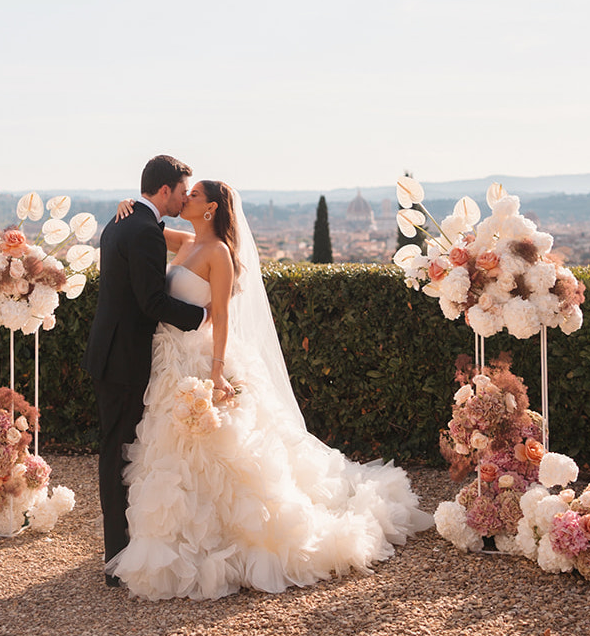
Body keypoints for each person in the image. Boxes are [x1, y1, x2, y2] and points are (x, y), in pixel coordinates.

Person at [107, 180, 434, 600]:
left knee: (219, 453)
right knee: (171, 453)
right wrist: (128, 206)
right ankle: (178, 537)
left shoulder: (219, 254)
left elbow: (221, 316)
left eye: (193, 196)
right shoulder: (186, 241)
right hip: (170, 362)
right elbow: (144, 226)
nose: (184, 198)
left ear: (209, 209)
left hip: (200, 361)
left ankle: (225, 539)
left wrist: (217, 372)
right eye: (182, 193)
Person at [83, 155, 206, 587]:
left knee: (121, 449)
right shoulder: (142, 230)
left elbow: (174, 241)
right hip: (123, 359)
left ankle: (123, 545)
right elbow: (152, 302)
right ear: (165, 189)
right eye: (181, 191)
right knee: (117, 451)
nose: (184, 199)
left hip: (112, 353)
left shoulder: (126, 221)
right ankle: (116, 555)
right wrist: (203, 316)